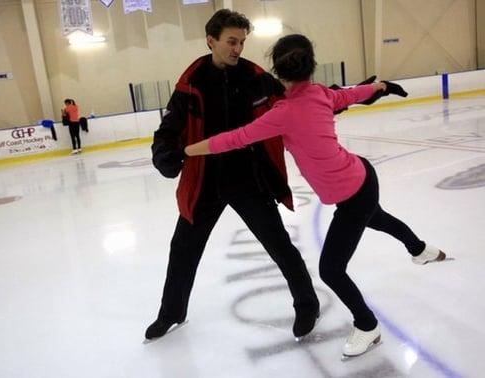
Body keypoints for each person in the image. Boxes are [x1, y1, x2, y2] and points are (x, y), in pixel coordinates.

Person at [184, 34, 447, 358]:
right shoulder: (322, 94)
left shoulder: (282, 113)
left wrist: (188, 150)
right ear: (312, 66)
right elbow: (351, 95)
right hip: (362, 178)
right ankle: (420, 249)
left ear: (279, 72)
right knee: (376, 219)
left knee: (331, 270)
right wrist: (379, 87)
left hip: (354, 192)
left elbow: (234, 138)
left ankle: (367, 325)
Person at [147, 9, 320, 342]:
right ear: (211, 40)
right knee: (183, 248)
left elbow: (299, 101)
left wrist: (350, 96)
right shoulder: (191, 81)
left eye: (241, 41)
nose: (237, 48)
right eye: (231, 41)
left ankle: (307, 303)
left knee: (280, 245)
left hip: (249, 179)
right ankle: (171, 313)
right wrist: (164, 152)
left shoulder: (255, 77)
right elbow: (170, 127)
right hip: (204, 182)